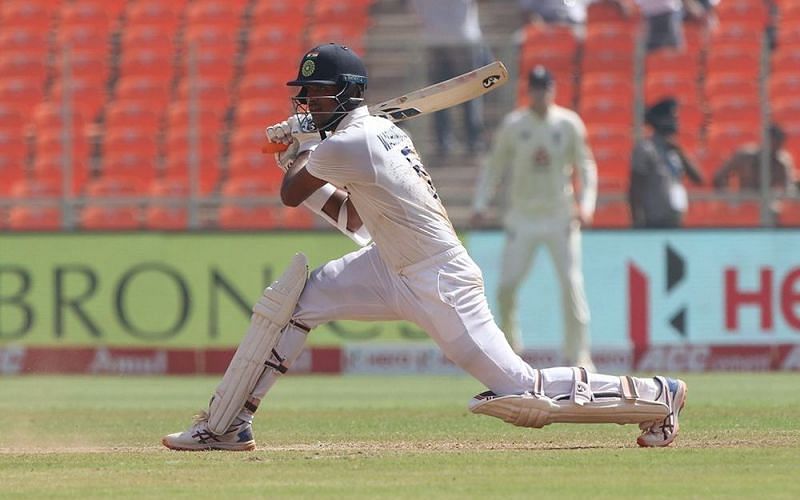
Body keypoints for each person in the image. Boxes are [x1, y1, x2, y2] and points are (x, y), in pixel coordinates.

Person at [161, 43, 687, 452]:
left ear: (345, 93)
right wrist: (304, 147)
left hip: (439, 279)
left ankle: (657, 397)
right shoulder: (367, 138)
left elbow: (289, 191)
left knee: (526, 394)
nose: (305, 102)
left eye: (315, 94)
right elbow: (351, 216)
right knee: (293, 303)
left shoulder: (355, 141)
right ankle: (226, 426)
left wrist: (300, 144)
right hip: (389, 264)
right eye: (304, 94)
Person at [470, 66, 597, 371]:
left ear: (553, 89)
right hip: (522, 218)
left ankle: (578, 356)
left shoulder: (568, 123)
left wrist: (587, 204)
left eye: (545, 87)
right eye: (536, 88)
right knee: (506, 288)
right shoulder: (515, 125)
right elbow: (495, 166)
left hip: (559, 216)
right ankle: (512, 352)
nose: (541, 94)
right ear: (530, 91)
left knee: (571, 285)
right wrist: (480, 202)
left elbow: (586, 165)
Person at [409, 0, 488, 159]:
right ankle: (472, 141)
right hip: (463, 37)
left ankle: (444, 142)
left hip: (435, 38)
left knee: (440, 95)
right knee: (470, 92)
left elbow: (414, 8)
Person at [629, 96, 704, 228]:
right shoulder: (646, 149)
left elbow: (698, 178)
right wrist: (637, 218)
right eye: (672, 117)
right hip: (652, 222)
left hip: (675, 221)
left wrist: (680, 153)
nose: (676, 121)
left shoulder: (675, 152)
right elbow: (635, 187)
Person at [712, 123, 796, 224]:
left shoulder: (782, 162)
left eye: (778, 144)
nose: (774, 148)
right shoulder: (745, 156)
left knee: (774, 211)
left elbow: (789, 189)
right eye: (772, 143)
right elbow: (719, 177)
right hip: (743, 205)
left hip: (769, 209)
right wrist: (731, 199)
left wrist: (779, 200)